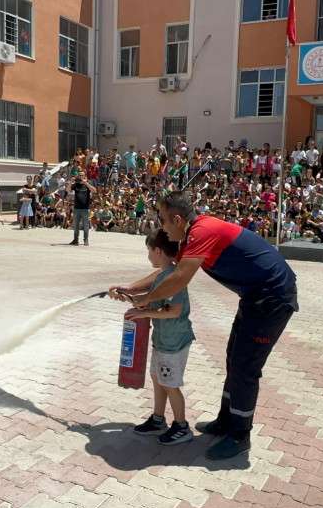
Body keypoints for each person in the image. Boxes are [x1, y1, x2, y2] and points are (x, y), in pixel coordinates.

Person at [118, 191, 298, 460]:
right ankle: (226, 421)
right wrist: (131, 288)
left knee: (245, 368)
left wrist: (146, 301)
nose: (162, 228)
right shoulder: (192, 235)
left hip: (272, 298)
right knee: (233, 360)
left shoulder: (201, 232)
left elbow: (179, 279)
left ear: (177, 219)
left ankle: (240, 435)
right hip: (254, 298)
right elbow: (167, 271)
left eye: (163, 220)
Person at [116, 230, 196, 446]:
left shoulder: (173, 277)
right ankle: (158, 419)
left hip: (174, 342)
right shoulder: (163, 274)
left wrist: (143, 313)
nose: (148, 256)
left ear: (158, 251)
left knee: (170, 383)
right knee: (158, 378)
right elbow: (152, 300)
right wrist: (128, 295)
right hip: (163, 340)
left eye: (149, 251)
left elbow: (174, 310)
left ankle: (181, 426)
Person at [68, 174, 97, 246]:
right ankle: (75, 240)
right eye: (80, 175)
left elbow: (94, 191)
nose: (80, 176)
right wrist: (70, 182)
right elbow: (68, 190)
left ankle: (86, 240)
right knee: (76, 225)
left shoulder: (87, 185)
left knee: (86, 225)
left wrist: (86, 183)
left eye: (82, 175)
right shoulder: (76, 184)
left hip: (85, 209)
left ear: (85, 177)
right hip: (77, 208)